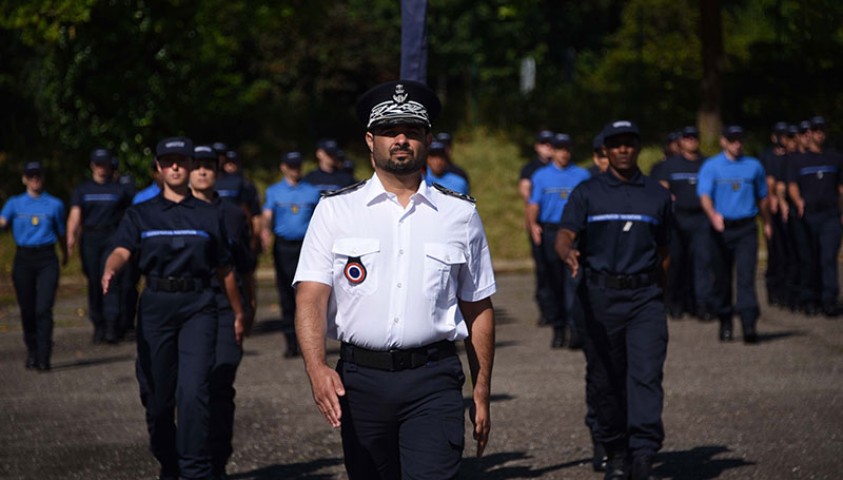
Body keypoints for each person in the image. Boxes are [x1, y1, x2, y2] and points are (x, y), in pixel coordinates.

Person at [294, 80, 496, 479]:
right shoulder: (336, 211)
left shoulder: (460, 215)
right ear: (370, 140)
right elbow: (311, 298)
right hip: (361, 382)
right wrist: (316, 368)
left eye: (412, 131)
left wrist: (481, 389)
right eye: (389, 131)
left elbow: (477, 306)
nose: (401, 139)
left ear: (428, 140)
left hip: (434, 379)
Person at [101, 137, 246, 480]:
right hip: (155, 306)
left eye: (182, 161)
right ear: (159, 169)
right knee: (158, 397)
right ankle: (169, 461)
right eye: (168, 162)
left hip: (199, 306)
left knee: (194, 392)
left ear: (191, 166)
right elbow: (122, 248)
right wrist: (111, 267)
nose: (176, 167)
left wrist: (238, 312)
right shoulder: (141, 213)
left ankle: (196, 469)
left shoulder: (211, 214)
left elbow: (225, 270)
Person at [555, 120, 671, 480]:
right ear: (605, 150)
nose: (623, 149)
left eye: (629, 143)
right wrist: (567, 253)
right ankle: (615, 450)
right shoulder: (587, 192)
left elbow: (665, 249)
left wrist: (659, 289)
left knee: (646, 376)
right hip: (600, 298)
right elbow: (564, 234)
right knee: (606, 379)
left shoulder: (657, 194)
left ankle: (643, 453)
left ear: (638, 148)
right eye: (615, 144)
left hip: (645, 299)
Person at [190, 145, 257, 478]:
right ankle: (190, 458)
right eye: (196, 166)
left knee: (220, 381)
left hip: (224, 307)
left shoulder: (232, 213)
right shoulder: (170, 211)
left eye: (208, 166)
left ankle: (216, 461)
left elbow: (245, 264)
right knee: (189, 388)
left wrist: (249, 304)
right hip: (187, 306)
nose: (202, 171)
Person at [698, 125, 771, 343]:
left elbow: (763, 196)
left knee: (746, 278)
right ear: (723, 142)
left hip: (746, 228)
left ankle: (749, 323)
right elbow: (704, 195)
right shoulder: (712, 166)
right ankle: (725, 320)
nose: (737, 144)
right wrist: (713, 215)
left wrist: (766, 222)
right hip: (720, 228)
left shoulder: (754, 166)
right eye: (732, 140)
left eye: (740, 140)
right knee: (721, 279)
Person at [0, 161, 67, 371]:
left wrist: (66, 253)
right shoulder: (15, 203)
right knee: (27, 309)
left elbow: (61, 233)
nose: (34, 179)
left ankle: (44, 355)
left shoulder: (54, 204)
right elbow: (2, 222)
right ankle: (32, 348)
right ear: (24, 179)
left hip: (46, 257)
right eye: (30, 175)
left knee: (43, 308)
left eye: (37, 175)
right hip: (24, 259)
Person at [526, 132, 590, 348]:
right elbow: (534, 204)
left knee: (574, 281)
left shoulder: (581, 174)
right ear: (552, 151)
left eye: (567, 149)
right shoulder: (541, 176)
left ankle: (575, 328)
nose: (564, 153)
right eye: (559, 149)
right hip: (551, 232)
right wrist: (533, 225)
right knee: (553, 282)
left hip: (575, 233)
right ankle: (558, 328)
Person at [66, 147, 133, 343]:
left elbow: (129, 215)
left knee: (110, 279)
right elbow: (75, 215)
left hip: (112, 236)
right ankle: (98, 323)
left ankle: (112, 325)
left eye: (104, 164)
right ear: (92, 165)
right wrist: (70, 237)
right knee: (94, 281)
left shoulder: (119, 189)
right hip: (90, 238)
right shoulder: (83, 190)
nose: (101, 168)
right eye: (98, 164)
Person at [261, 151, 322, 358]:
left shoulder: (312, 191)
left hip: (306, 246)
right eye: (291, 166)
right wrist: (265, 232)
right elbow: (267, 215)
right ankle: (290, 342)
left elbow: (320, 219)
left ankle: (310, 342)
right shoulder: (274, 191)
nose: (295, 170)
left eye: (297, 166)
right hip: (284, 246)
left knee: (308, 293)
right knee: (286, 295)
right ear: (283, 167)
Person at [655, 125, 713, 320]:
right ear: (681, 141)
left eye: (694, 137)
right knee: (676, 262)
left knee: (702, 261)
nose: (691, 141)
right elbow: (663, 190)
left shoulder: (706, 164)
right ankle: (675, 301)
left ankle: (701, 303)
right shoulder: (670, 165)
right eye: (687, 138)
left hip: (701, 219)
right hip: (677, 219)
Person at [787, 116, 841, 317]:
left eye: (822, 130)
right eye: (815, 130)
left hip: (830, 214)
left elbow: (841, 187)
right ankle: (810, 298)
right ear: (809, 133)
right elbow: (792, 184)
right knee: (809, 258)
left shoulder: (834, 157)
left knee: (828, 258)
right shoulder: (798, 160)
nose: (819, 133)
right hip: (808, 215)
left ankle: (829, 299)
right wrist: (797, 200)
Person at [519, 129, 555, 325]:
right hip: (538, 222)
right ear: (537, 146)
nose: (547, 147)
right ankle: (546, 309)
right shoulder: (530, 169)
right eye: (544, 143)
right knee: (543, 269)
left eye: (551, 143)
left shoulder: (561, 168)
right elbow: (526, 193)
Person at [760, 122, 791, 308]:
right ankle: (773, 289)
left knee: (788, 252)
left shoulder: (791, 157)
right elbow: (766, 182)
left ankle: (786, 290)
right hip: (772, 210)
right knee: (774, 252)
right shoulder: (766, 156)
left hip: (788, 209)